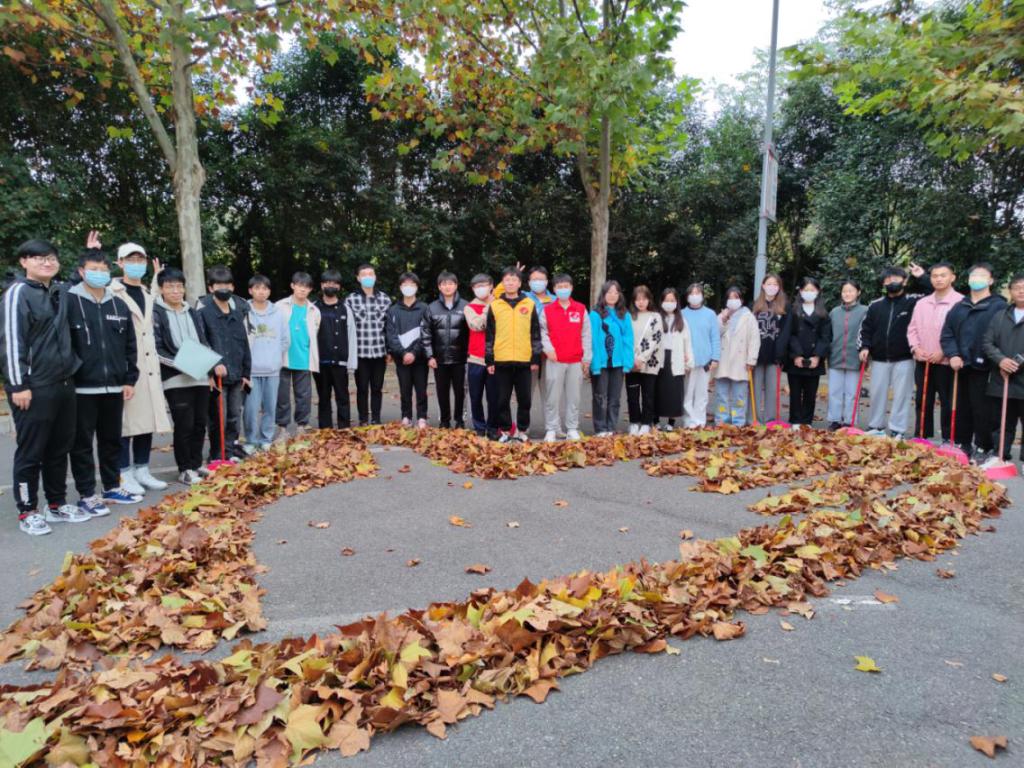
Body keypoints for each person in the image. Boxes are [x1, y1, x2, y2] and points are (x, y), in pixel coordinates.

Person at [1, 240, 84, 534]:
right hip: (33, 386)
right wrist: (18, 385)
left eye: (51, 258)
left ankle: (56, 504)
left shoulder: (58, 291)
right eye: (38, 258)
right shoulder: (17, 293)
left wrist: (88, 252)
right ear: (24, 262)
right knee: (31, 450)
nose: (46, 262)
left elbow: (76, 280)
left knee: (60, 447)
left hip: (64, 382)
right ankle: (27, 510)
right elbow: (12, 342)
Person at [67, 247, 139, 514]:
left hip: (115, 386)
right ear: (81, 272)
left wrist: (130, 379)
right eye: (93, 270)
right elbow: (63, 344)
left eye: (103, 270)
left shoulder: (118, 304)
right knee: (82, 444)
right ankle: (87, 494)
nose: (99, 274)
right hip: (81, 387)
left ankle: (111, 486)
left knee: (111, 440)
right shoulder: (69, 301)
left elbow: (130, 344)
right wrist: (72, 373)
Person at [111, 241, 171, 496]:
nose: (136, 264)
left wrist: (157, 279)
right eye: (130, 260)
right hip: (126, 366)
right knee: (126, 423)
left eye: (140, 260)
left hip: (149, 367)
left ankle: (142, 469)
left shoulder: (147, 293)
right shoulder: (112, 292)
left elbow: (154, 298)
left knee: (147, 420)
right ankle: (123, 472)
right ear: (120, 263)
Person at [153, 268, 217, 485]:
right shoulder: (156, 313)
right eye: (170, 286)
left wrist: (209, 370)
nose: (176, 291)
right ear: (161, 289)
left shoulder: (193, 312)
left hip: (200, 376)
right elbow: (157, 348)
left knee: (200, 423)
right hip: (176, 378)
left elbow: (203, 341)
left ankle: (196, 463)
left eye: (179, 286)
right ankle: (184, 469)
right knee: (184, 424)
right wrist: (182, 365)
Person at [941, 263, 1006, 462]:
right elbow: (947, 334)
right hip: (960, 366)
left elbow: (1002, 336)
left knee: (983, 409)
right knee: (960, 406)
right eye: (973, 275)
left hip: (986, 367)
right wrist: (953, 354)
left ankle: (984, 446)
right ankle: (963, 443)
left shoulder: (999, 307)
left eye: (982, 275)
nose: (976, 279)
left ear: (991, 280)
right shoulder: (959, 306)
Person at [858, 263, 928, 439]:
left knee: (902, 395)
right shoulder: (875, 305)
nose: (892, 282)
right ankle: (875, 426)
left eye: (896, 278)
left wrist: (922, 277)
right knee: (877, 394)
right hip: (879, 358)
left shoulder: (914, 301)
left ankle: (898, 429)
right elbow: (865, 329)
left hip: (904, 358)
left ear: (904, 281)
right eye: (888, 279)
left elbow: (932, 293)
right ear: (883, 283)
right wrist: (864, 347)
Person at [197, 265, 251, 461]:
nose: (224, 289)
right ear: (211, 288)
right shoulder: (203, 313)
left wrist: (246, 374)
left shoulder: (237, 314)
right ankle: (217, 454)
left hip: (237, 375)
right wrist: (211, 369)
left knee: (234, 417)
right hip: (218, 377)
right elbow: (202, 343)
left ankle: (229, 451)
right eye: (219, 285)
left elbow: (244, 344)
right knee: (218, 417)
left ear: (233, 287)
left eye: (227, 285)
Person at [907, 261, 963, 441]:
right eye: (935, 276)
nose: (938, 279)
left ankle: (948, 438)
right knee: (923, 400)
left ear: (952, 277)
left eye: (943, 275)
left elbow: (962, 333)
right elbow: (912, 329)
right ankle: (922, 436)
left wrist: (945, 352)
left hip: (947, 362)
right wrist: (916, 348)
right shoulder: (922, 303)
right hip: (923, 360)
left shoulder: (960, 302)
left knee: (948, 401)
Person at [485, 267, 541, 442]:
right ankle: (506, 430)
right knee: (502, 399)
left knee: (525, 399)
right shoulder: (495, 305)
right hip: (501, 359)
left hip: (524, 360)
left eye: (514, 280)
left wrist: (535, 357)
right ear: (503, 283)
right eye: (507, 280)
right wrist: (489, 360)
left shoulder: (529, 304)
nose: (510, 283)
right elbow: (489, 335)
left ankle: (522, 430)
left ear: (520, 283)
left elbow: (535, 333)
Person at [539, 273, 591, 442]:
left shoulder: (580, 309)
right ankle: (551, 428)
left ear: (571, 288)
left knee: (574, 397)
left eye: (566, 286)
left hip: (575, 360)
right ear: (554, 289)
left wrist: (586, 358)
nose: (563, 290)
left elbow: (586, 334)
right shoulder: (547, 310)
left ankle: (572, 428)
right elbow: (542, 332)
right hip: (554, 359)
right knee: (552, 397)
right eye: (559, 287)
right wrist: (548, 350)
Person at [981, 274, 1024, 465]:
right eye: (1017, 287)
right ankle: (1000, 456)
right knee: (1001, 421)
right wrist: (1001, 360)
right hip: (1001, 378)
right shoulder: (1000, 316)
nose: (1021, 291)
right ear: (1010, 291)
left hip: (1020, 376)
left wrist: (1015, 363)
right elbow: (987, 342)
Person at [244, 274, 289, 451]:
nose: (261, 292)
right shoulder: (244, 311)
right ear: (250, 290)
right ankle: (250, 441)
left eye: (265, 288)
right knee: (251, 409)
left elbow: (285, 340)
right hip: (251, 371)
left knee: (270, 407)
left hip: (272, 369)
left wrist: (275, 357)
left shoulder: (278, 313)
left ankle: (266, 439)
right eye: (257, 288)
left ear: (269, 291)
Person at [275, 272, 320, 435]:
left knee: (304, 395)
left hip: (304, 357)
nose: (302, 289)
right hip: (283, 357)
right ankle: (282, 428)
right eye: (300, 285)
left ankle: (302, 426)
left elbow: (315, 332)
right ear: (292, 286)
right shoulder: (279, 306)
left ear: (310, 289)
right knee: (282, 396)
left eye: (306, 287)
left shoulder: (314, 310)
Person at [345, 264, 391, 426]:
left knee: (377, 387)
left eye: (371, 274)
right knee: (362, 388)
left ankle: (376, 418)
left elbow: (389, 327)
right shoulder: (350, 300)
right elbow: (347, 328)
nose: (368, 277)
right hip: (360, 353)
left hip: (379, 352)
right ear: (358, 278)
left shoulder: (385, 299)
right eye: (364, 274)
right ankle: (363, 419)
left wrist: (389, 350)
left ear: (375, 277)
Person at [424, 271, 469, 428]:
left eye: (450, 283)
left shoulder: (466, 306)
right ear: (439, 287)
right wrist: (430, 356)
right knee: (442, 391)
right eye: (444, 284)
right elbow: (426, 333)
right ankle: (444, 420)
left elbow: (472, 333)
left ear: (456, 285)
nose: (447, 287)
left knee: (460, 392)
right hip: (439, 359)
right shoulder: (432, 308)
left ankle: (459, 420)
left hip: (461, 358)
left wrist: (469, 355)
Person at [784, 277, 831, 427]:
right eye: (806, 290)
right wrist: (796, 355)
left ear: (818, 291)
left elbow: (825, 336)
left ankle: (806, 421)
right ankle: (795, 420)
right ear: (800, 291)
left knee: (811, 393)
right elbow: (789, 334)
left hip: (814, 358)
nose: (809, 292)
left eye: (812, 290)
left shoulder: (823, 313)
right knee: (795, 392)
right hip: (795, 358)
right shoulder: (792, 310)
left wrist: (817, 356)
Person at [386, 272, 431, 428]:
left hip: (420, 358)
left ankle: (422, 417)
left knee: (421, 388)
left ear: (417, 287)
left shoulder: (425, 308)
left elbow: (426, 333)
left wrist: (414, 353)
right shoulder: (393, 310)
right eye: (405, 284)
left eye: (412, 284)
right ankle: (406, 416)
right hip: (401, 358)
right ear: (400, 287)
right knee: (404, 389)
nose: (408, 287)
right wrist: (403, 353)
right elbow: (391, 335)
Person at [314, 269, 357, 429]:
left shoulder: (346, 309)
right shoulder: (314, 308)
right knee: (323, 397)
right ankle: (325, 430)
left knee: (342, 396)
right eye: (327, 283)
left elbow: (352, 336)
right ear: (321, 285)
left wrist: (351, 363)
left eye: (334, 283)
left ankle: (344, 428)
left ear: (339, 286)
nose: (330, 286)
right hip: (320, 362)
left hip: (341, 362)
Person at [590, 280, 634, 437]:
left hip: (618, 363)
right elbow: (593, 340)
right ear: (603, 294)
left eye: (616, 292)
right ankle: (600, 428)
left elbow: (628, 340)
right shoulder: (595, 314)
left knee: (615, 398)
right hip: (601, 363)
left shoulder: (624, 315)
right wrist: (595, 364)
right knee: (600, 397)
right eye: (609, 292)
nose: (612, 295)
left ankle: (611, 426)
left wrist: (628, 363)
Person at [715, 287, 760, 427]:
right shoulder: (721, 315)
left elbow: (754, 340)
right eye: (730, 298)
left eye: (736, 297)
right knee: (721, 395)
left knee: (739, 396)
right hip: (723, 361)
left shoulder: (749, 317)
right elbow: (715, 334)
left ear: (741, 299)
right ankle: (721, 420)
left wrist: (751, 360)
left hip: (741, 361)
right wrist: (723, 320)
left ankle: (738, 421)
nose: (733, 300)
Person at [750, 273, 791, 424]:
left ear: (779, 287)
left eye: (775, 284)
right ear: (763, 285)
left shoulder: (785, 306)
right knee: (755, 387)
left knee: (772, 389)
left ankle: (770, 420)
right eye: (769, 284)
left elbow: (786, 331)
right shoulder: (754, 305)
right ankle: (754, 418)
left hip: (775, 354)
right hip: (757, 354)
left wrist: (780, 353)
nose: (772, 287)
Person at [827, 280, 868, 430]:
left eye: (851, 291)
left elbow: (867, 332)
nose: (847, 294)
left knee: (852, 393)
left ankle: (850, 421)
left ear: (858, 292)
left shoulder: (865, 311)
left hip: (855, 357)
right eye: (844, 291)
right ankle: (835, 420)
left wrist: (865, 349)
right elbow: (828, 334)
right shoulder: (834, 312)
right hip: (836, 356)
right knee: (834, 391)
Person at [654, 288, 693, 430]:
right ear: (661, 302)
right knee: (658, 390)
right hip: (659, 358)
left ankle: (671, 422)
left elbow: (687, 342)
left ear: (677, 302)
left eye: (672, 300)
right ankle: (655, 420)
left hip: (676, 358)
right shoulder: (656, 318)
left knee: (674, 391)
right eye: (666, 300)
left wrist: (689, 360)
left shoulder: (682, 321)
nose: (669, 303)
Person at [465, 274, 499, 438]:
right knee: (475, 396)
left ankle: (493, 427)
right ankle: (479, 426)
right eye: (477, 286)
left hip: (496, 359)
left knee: (494, 397)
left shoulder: (500, 304)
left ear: (491, 286)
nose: (481, 289)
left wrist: (494, 304)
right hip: (476, 358)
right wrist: (489, 306)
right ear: (473, 289)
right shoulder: (469, 307)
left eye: (484, 285)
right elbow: (477, 325)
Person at [626, 285, 662, 435]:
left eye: (644, 299)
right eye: (638, 299)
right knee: (632, 395)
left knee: (648, 394)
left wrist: (642, 358)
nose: (641, 302)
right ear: (633, 301)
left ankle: (646, 423)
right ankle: (634, 422)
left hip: (650, 362)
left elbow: (656, 339)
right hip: (631, 362)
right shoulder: (628, 316)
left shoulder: (655, 317)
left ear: (649, 300)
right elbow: (625, 338)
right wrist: (633, 359)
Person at [682, 283, 720, 427]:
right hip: (688, 361)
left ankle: (699, 420)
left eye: (697, 293)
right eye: (692, 293)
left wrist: (715, 358)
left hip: (706, 360)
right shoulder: (682, 314)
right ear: (687, 297)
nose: (695, 296)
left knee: (702, 393)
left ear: (703, 296)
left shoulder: (710, 314)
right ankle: (688, 419)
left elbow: (715, 337)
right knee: (688, 392)